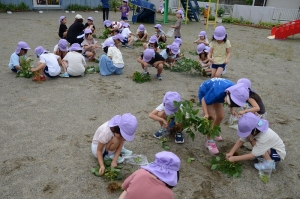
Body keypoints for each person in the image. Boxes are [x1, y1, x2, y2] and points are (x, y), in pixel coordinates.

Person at [198, 79, 249, 154]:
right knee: (211, 117)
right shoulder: (217, 92)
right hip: (205, 92)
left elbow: (232, 100)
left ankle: (213, 131)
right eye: (228, 103)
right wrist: (206, 114)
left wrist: (231, 109)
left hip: (218, 93)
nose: (228, 104)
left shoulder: (234, 90)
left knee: (221, 115)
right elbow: (204, 100)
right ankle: (209, 141)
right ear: (227, 94)